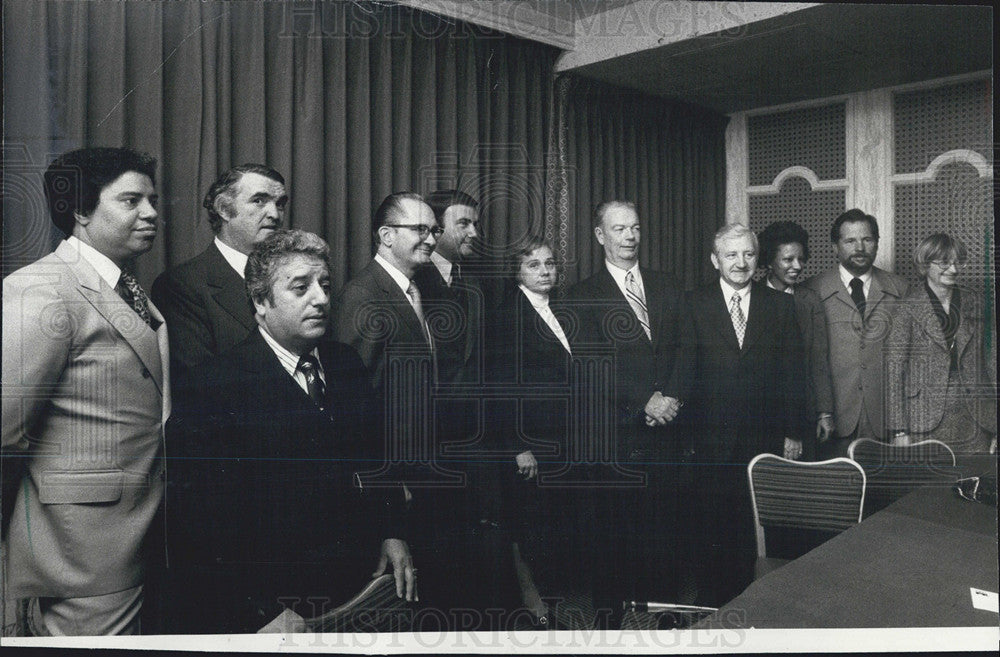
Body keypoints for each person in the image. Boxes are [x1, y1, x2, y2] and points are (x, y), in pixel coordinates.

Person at [164, 229, 414, 634]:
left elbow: (375, 460)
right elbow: (199, 523)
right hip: (275, 607)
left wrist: (392, 533)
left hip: (361, 588)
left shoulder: (345, 363)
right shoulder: (213, 385)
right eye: (301, 287)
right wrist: (263, 610)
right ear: (261, 302)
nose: (320, 298)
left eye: (325, 285)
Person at [2, 147, 167, 635]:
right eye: (132, 200)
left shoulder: (126, 287)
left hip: (133, 536)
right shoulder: (43, 290)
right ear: (80, 211)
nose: (152, 213)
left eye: (152, 199)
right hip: (79, 550)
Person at [333, 192, 513, 629]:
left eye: (433, 230)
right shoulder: (365, 295)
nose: (430, 239)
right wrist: (390, 492)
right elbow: (360, 411)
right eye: (419, 230)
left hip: (429, 477)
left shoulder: (413, 289)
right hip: (401, 486)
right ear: (385, 235)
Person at [564, 200, 692, 622]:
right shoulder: (581, 295)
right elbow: (590, 363)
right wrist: (644, 402)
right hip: (619, 436)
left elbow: (687, 350)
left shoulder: (669, 285)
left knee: (667, 536)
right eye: (619, 230)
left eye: (635, 228)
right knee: (613, 541)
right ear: (601, 236)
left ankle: (668, 622)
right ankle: (609, 627)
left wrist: (670, 399)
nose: (630, 237)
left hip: (668, 432)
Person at [682, 223, 807, 605]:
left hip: (764, 437)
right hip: (709, 439)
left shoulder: (781, 305)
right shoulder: (692, 303)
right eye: (731, 255)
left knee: (758, 528)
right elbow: (684, 371)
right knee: (710, 528)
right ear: (715, 260)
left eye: (748, 254)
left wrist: (794, 432)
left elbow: (793, 371)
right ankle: (711, 610)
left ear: (759, 259)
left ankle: (756, 607)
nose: (741, 263)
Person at [487, 238, 577, 627]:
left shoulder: (560, 307)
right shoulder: (509, 315)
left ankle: (555, 598)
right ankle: (536, 602)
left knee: (556, 521)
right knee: (534, 523)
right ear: (517, 273)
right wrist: (518, 447)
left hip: (562, 435)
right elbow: (501, 386)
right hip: (532, 439)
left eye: (549, 264)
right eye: (534, 265)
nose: (545, 271)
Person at [151, 164, 288, 379]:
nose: (274, 214)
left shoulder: (296, 279)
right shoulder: (181, 285)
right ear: (224, 209)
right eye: (259, 201)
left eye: (279, 204)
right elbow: (202, 384)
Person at [803, 209, 908, 458]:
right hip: (833, 418)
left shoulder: (900, 289)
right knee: (836, 492)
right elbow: (807, 362)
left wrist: (902, 425)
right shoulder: (811, 291)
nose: (859, 247)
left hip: (884, 418)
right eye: (850, 241)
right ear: (835, 247)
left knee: (884, 493)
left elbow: (908, 361)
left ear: (877, 243)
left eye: (867, 239)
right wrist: (822, 412)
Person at [887, 233, 996, 455]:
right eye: (945, 263)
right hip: (925, 420)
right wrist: (899, 430)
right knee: (931, 486)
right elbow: (894, 371)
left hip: (977, 417)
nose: (954, 269)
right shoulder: (907, 307)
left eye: (958, 262)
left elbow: (994, 362)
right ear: (925, 264)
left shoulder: (976, 301)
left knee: (977, 483)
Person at [758, 221, 835, 460]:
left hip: (804, 411)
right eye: (788, 260)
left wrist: (824, 413)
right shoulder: (752, 298)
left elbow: (818, 360)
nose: (797, 266)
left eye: (801, 259)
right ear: (769, 262)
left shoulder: (810, 300)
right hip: (761, 414)